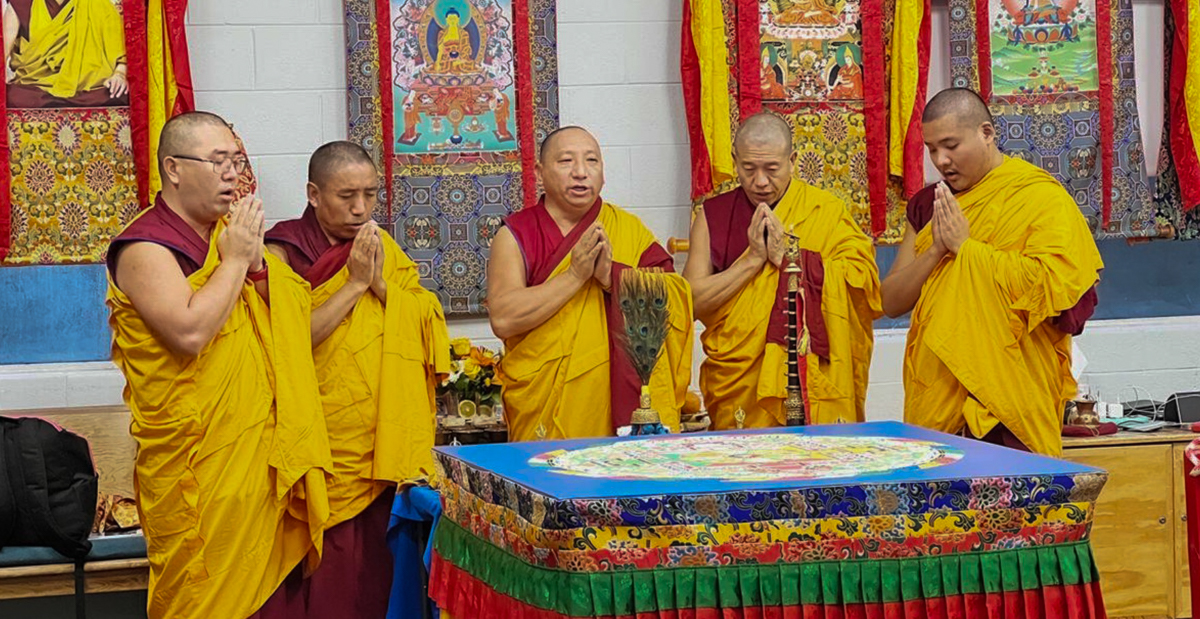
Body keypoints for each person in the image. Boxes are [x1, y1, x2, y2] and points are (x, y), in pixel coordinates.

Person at [106, 111, 331, 619]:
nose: (233, 174)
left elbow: (292, 318)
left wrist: (254, 267)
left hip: (262, 460)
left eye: (236, 161)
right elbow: (188, 334)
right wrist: (234, 262)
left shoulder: (230, 237)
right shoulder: (147, 246)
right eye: (218, 161)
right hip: (200, 471)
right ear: (174, 169)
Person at [257, 140, 449, 617]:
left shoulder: (379, 246)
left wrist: (380, 284)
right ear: (313, 193)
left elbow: (424, 320)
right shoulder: (280, 252)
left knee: (379, 579)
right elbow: (287, 342)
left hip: (381, 443)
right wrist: (355, 284)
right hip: (317, 443)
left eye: (369, 194)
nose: (361, 208)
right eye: (347, 196)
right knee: (328, 583)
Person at [881, 87, 1103, 456]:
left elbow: (1059, 295)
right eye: (932, 149)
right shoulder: (929, 206)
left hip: (1011, 397)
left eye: (951, 145)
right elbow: (890, 301)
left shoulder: (1039, 197)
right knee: (942, 511)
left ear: (986, 133)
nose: (941, 160)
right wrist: (937, 248)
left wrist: (967, 250)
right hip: (938, 391)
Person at [488, 126, 694, 441]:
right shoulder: (516, 234)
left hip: (622, 404)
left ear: (603, 172)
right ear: (540, 172)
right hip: (545, 406)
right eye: (566, 161)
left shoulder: (629, 229)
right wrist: (574, 276)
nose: (581, 173)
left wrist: (613, 277)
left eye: (592, 161)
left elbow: (676, 300)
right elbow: (503, 318)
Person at [684, 111, 880, 430]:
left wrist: (793, 260)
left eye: (771, 169)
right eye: (748, 169)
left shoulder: (825, 211)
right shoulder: (713, 217)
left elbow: (861, 283)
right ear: (734, 161)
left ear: (793, 160)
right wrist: (752, 259)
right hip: (740, 391)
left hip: (814, 383)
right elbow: (690, 301)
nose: (760, 181)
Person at [3, 0, 129, 108]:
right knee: (11, 96)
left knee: (119, 93)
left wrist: (120, 74)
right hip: (35, 87)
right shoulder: (21, 3)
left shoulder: (97, 3)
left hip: (87, 88)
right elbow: (3, 51)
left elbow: (119, 51)